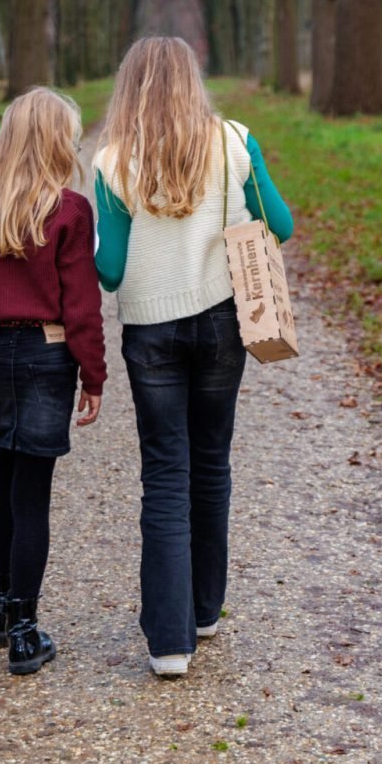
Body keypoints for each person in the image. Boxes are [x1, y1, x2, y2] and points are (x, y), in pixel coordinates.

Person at [93, 36, 294, 678]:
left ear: (130, 88)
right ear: (193, 82)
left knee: (165, 474)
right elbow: (280, 225)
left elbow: (111, 270)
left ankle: (168, 641)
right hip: (221, 325)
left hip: (151, 332)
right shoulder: (235, 142)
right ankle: (206, 610)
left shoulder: (112, 161)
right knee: (211, 464)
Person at [0, 88, 106, 676]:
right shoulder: (68, 212)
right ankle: (26, 634)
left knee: (0, 479)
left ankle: (0, 604)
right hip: (45, 354)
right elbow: (81, 304)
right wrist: (93, 373)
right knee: (30, 493)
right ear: (59, 142)